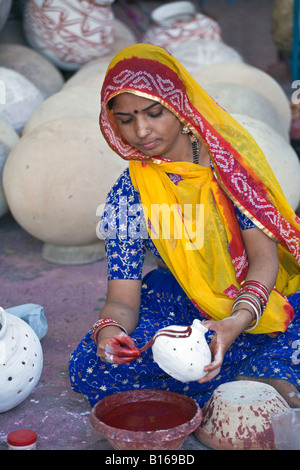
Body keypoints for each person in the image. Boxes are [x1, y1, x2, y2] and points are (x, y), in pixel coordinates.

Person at [69, 44, 300, 408]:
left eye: (154, 112)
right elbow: (122, 300)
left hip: (257, 299)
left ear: (177, 103)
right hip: (184, 309)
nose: (142, 130)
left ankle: (235, 371)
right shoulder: (130, 193)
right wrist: (110, 334)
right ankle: (255, 374)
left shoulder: (226, 164)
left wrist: (235, 322)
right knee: (89, 368)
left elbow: (264, 259)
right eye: (126, 120)